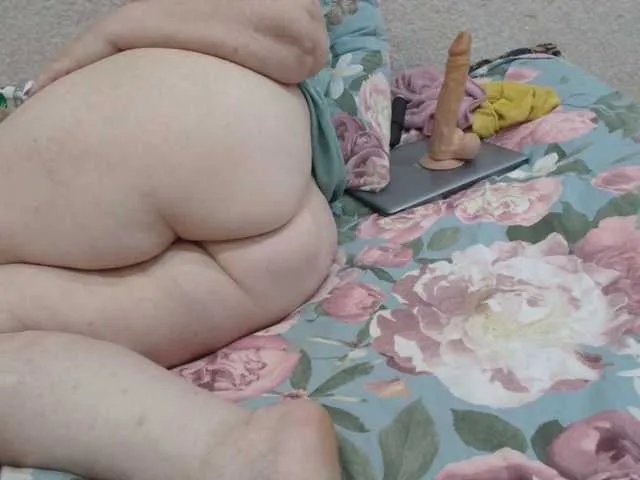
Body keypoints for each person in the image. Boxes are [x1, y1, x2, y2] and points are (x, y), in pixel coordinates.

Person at [0, 1, 344, 478]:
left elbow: (296, 30)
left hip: (195, 124)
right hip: (280, 243)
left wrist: (114, 32)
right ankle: (235, 454)